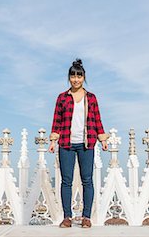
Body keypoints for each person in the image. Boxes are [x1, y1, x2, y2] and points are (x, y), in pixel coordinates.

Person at [48, 58, 109, 228]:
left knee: (87, 180)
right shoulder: (62, 98)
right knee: (66, 181)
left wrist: (102, 139)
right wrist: (53, 141)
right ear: (69, 78)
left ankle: (86, 217)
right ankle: (67, 217)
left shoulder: (91, 98)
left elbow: (97, 119)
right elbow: (57, 121)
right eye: (73, 76)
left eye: (79, 76)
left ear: (84, 77)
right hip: (66, 143)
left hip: (86, 144)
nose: (76, 79)